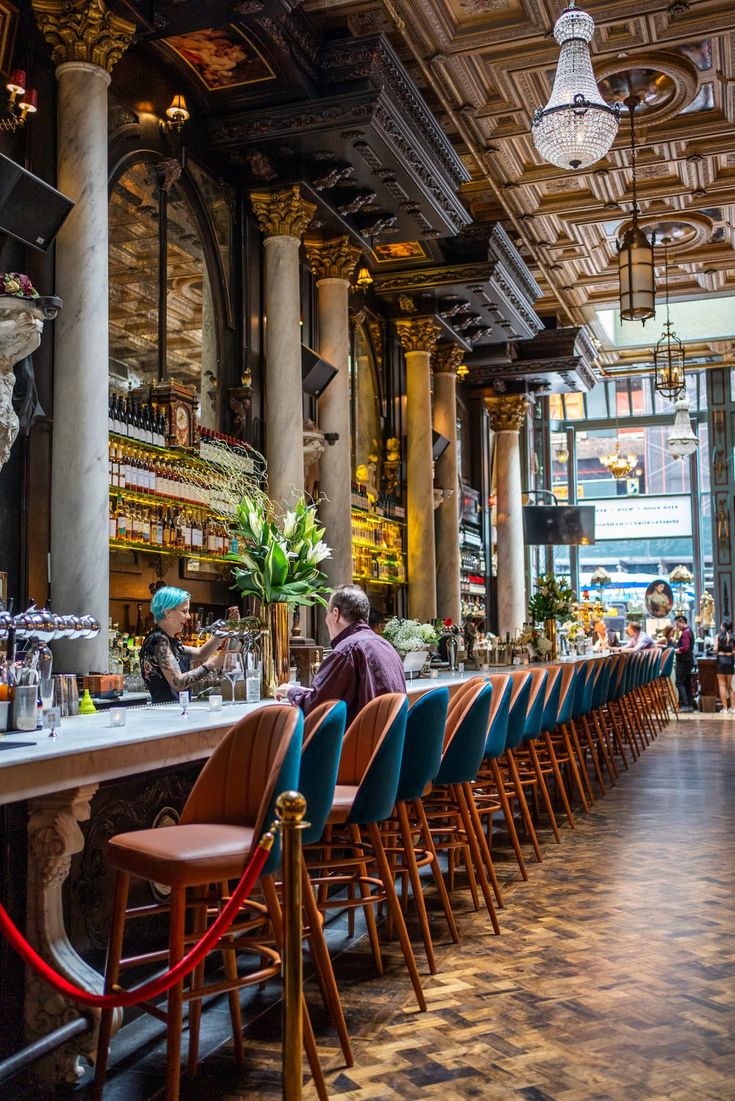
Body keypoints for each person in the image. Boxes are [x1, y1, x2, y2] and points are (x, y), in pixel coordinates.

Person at [276, 584, 405, 726]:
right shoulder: (386, 646)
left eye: (327, 613)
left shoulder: (347, 651)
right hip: (387, 745)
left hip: (356, 746)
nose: (326, 620)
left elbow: (316, 708)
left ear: (336, 614)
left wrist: (291, 691)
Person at [140, 586, 227, 703]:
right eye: (184, 611)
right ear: (168, 612)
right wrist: (213, 663)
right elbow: (178, 682)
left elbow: (202, 653)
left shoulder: (166, 640)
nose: (189, 616)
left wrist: (224, 630)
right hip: (166, 714)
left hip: (171, 711)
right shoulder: (159, 642)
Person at [712, 619, 735, 714]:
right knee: (730, 687)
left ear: (723, 626)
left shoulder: (718, 636)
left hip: (721, 660)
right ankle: (733, 708)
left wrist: (715, 650)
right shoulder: (733, 637)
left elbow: (715, 649)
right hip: (730, 660)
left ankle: (725, 709)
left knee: (722, 685)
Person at [674, 613, 695, 712]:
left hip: (684, 661)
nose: (677, 627)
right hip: (688, 660)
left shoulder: (686, 632)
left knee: (679, 682)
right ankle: (689, 704)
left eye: (677, 625)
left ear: (681, 622)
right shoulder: (689, 630)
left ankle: (684, 705)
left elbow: (686, 647)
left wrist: (677, 650)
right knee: (686, 682)